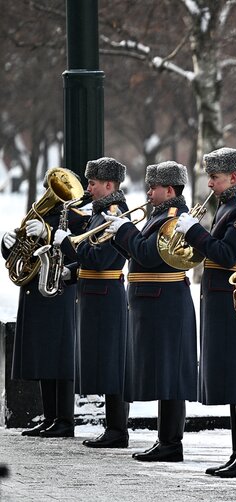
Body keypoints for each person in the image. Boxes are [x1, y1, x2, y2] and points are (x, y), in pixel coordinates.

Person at [173, 147, 236, 478]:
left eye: (214, 177)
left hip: (235, 299)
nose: (209, 184)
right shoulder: (230, 203)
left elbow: (227, 255)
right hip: (224, 298)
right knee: (233, 376)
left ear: (234, 177)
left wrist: (195, 232)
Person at [106, 161, 198, 462]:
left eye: (154, 187)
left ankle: (171, 443)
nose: (148, 192)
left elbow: (148, 254)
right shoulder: (159, 215)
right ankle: (166, 440)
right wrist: (120, 236)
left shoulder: (172, 217)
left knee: (170, 374)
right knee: (163, 374)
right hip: (155, 303)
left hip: (165, 302)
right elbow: (139, 252)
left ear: (169, 190)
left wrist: (126, 230)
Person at [1, 169, 88, 438]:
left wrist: (50, 233)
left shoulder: (76, 218)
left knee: (59, 357)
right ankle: (50, 417)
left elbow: (79, 249)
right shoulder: (36, 216)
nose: (48, 196)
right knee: (43, 356)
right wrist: (7, 245)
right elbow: (20, 254)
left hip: (58, 290)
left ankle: (64, 419)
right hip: (35, 289)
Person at [54, 157, 130, 448]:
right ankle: (113, 426)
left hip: (106, 294)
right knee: (104, 360)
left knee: (112, 361)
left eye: (93, 183)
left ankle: (118, 430)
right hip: (95, 294)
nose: (88, 187)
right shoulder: (100, 213)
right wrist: (71, 270)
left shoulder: (113, 213)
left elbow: (102, 259)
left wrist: (66, 244)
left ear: (109, 185)